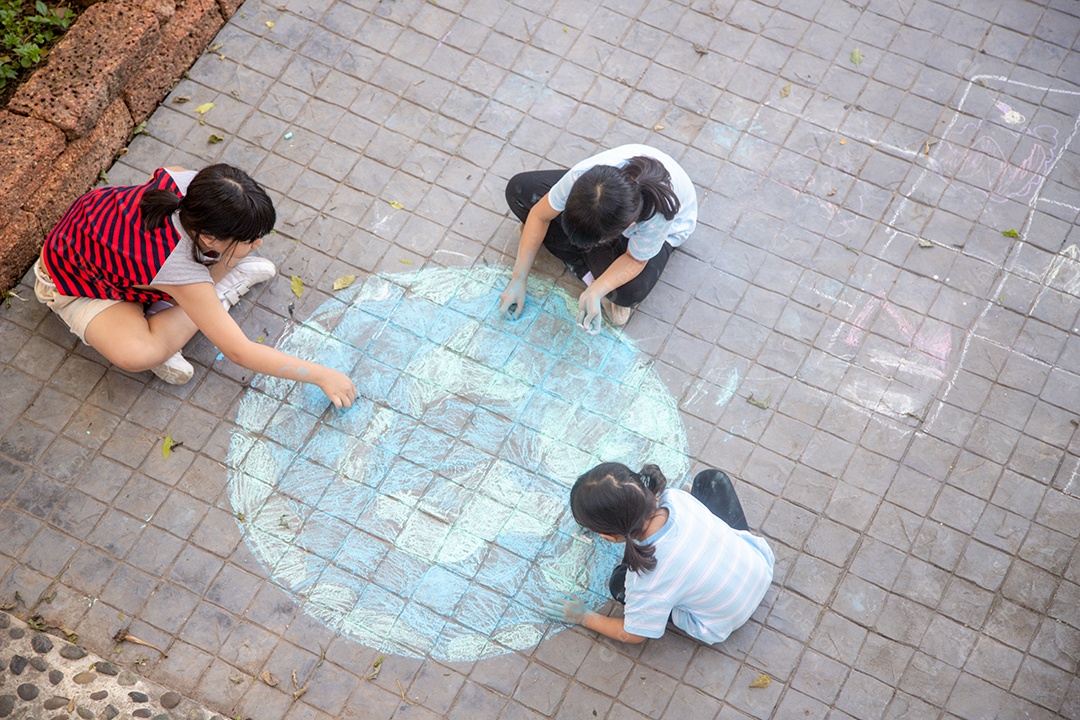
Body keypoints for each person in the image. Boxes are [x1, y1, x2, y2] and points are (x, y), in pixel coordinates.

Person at [34, 164, 356, 408]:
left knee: (198, 280)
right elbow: (239, 351)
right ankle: (217, 294)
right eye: (248, 239)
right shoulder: (174, 265)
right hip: (75, 284)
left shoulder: (185, 184)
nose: (257, 243)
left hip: (111, 260)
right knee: (138, 353)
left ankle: (205, 295)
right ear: (209, 237)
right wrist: (321, 375)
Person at [544, 463, 774, 645]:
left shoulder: (645, 576)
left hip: (719, 621)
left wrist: (583, 616)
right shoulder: (676, 497)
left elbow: (634, 635)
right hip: (759, 567)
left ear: (609, 537)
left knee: (618, 583)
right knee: (709, 480)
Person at [499, 144, 697, 332]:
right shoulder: (583, 177)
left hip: (659, 234)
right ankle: (586, 265)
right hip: (610, 207)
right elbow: (540, 214)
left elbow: (636, 259)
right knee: (519, 190)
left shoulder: (658, 215)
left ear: (622, 231)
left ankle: (576, 259)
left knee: (630, 292)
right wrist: (518, 278)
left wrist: (596, 291)